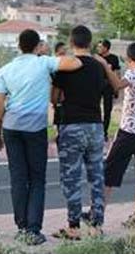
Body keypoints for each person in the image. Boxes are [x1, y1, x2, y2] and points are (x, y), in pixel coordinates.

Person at [0, 29, 82, 246]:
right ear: (37, 46)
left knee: (18, 178)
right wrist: (49, 55)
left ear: (18, 45)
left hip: (12, 127)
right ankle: (33, 229)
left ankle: (21, 226)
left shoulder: (4, 70)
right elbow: (75, 64)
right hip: (35, 128)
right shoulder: (43, 63)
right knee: (37, 179)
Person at [50, 26, 107, 240]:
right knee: (97, 176)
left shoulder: (65, 66)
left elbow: (53, 98)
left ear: (71, 43)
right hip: (95, 126)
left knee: (71, 177)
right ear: (90, 43)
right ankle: (96, 224)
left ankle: (73, 226)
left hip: (72, 125)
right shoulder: (98, 67)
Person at [99, 42, 135, 228]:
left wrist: (106, 68)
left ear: (128, 58)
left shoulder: (132, 74)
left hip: (130, 128)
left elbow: (117, 86)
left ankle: (98, 212)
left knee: (110, 169)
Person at [97, 39, 121, 141]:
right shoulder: (97, 58)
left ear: (106, 48)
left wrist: (117, 88)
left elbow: (117, 73)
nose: (99, 48)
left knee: (108, 110)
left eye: (100, 46)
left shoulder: (114, 58)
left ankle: (104, 132)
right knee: (95, 109)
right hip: (97, 86)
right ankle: (97, 131)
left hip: (108, 86)